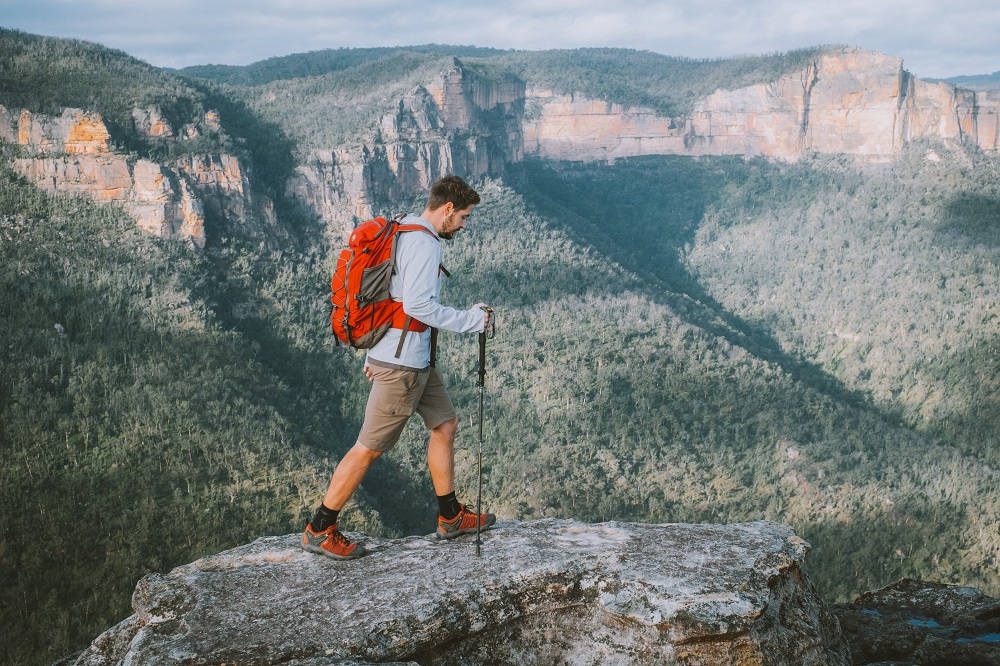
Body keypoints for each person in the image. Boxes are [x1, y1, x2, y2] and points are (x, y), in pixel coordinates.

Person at [302, 175, 496, 560]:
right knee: (369, 447)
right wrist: (471, 320)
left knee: (444, 424)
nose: (463, 225)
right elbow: (417, 307)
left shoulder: (403, 225)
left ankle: (450, 516)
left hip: (412, 357)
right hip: (403, 365)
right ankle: (320, 528)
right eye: (463, 217)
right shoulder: (424, 244)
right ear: (446, 210)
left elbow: (387, 296)